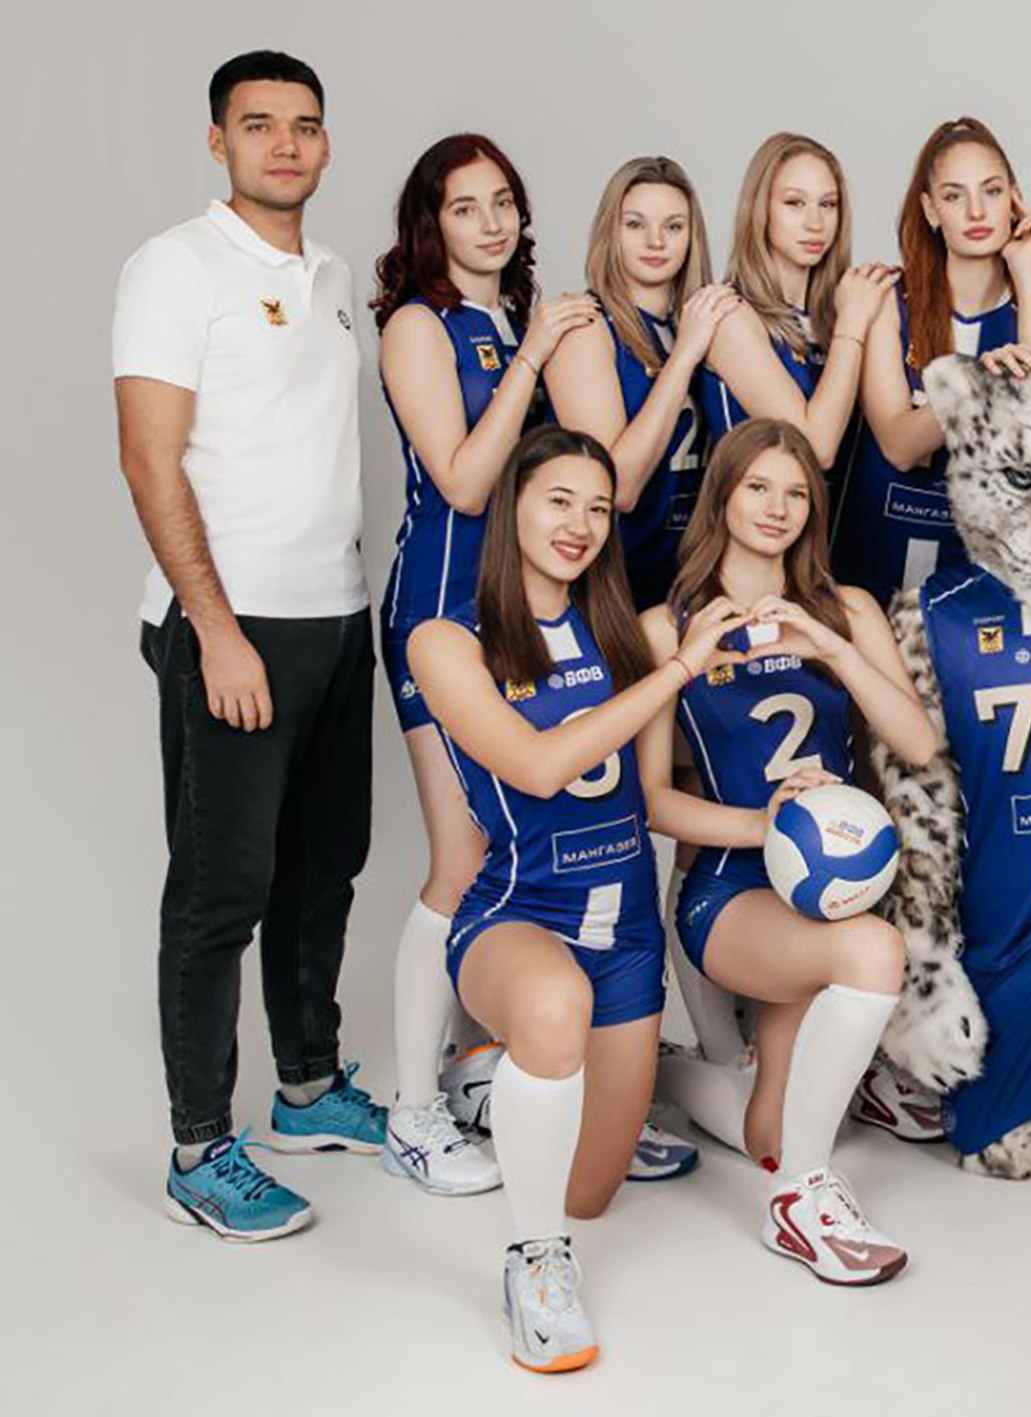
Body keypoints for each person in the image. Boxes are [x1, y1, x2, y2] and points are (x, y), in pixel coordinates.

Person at [408, 425, 756, 1372]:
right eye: (559, 500)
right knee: (554, 1008)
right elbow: (537, 764)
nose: (581, 524)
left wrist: (775, 818)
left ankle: (508, 1082)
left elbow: (654, 797)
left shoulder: (623, 634)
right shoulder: (449, 640)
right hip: (520, 914)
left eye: (599, 507)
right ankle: (536, 1261)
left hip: (627, 936)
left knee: (593, 1189)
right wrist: (675, 670)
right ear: (512, 506)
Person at [115, 50, 386, 1241]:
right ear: (217, 139)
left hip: (336, 613)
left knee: (324, 866)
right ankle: (199, 1147)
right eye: (259, 123)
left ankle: (308, 1089)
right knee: (222, 888)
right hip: (233, 623)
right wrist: (216, 630)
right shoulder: (175, 267)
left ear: (325, 143)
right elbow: (149, 457)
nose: (285, 144)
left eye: (305, 125)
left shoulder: (331, 274)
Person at [642, 420, 934, 1285]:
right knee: (874, 953)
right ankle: (802, 1201)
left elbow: (917, 742)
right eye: (758, 487)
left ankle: (670, 1074)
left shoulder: (848, 609)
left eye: (797, 493)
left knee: (768, 1132)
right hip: (729, 893)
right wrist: (762, 825)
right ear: (723, 495)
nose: (777, 508)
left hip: (829, 890)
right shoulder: (669, 626)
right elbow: (653, 800)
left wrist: (828, 644)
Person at [372, 132, 595, 1196]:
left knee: (521, 851)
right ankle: (411, 1111)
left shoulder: (519, 316)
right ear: (433, 224)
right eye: (465, 207)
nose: (491, 223)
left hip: (520, 617)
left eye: (503, 201)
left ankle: (481, 1069)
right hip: (440, 611)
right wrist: (540, 354)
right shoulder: (417, 324)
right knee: (461, 857)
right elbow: (464, 481)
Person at [833, 117, 1031, 600]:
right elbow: (899, 445)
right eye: (955, 196)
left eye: (992, 192)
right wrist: (977, 384)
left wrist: (1025, 262)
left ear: (1014, 200)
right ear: (931, 210)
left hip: (984, 571)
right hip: (878, 556)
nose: (977, 211)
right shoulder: (889, 300)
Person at [547, 156, 740, 608]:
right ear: (610, 232)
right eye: (635, 225)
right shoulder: (588, 328)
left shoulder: (696, 324)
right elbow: (618, 488)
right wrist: (685, 355)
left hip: (689, 579)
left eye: (674, 227)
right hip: (612, 586)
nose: (656, 241)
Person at [699, 133, 898, 476]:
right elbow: (815, 450)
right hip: (756, 509)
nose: (815, 223)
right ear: (760, 210)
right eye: (794, 203)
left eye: (828, 204)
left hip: (828, 513)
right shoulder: (731, 315)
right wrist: (852, 323)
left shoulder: (833, 315)